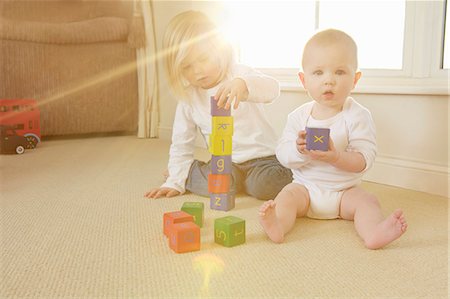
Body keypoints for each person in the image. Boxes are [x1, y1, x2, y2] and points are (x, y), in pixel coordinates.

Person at [259, 29, 407, 249]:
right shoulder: (298, 117)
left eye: (339, 72)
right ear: (304, 80)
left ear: (355, 79)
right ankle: (278, 224)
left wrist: (336, 157)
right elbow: (283, 155)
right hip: (305, 189)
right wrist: (298, 150)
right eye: (318, 73)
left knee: (367, 202)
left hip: (344, 193)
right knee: (286, 197)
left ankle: (373, 232)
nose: (329, 81)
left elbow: (363, 160)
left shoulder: (357, 115)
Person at [145, 10, 292, 200]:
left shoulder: (239, 73)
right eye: (186, 67)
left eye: (203, 59)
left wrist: (244, 84)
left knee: (268, 185)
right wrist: (174, 181)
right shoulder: (189, 99)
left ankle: (240, 182)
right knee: (219, 186)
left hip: (264, 160)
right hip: (225, 164)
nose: (197, 71)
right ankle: (188, 172)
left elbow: (273, 89)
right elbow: (181, 144)